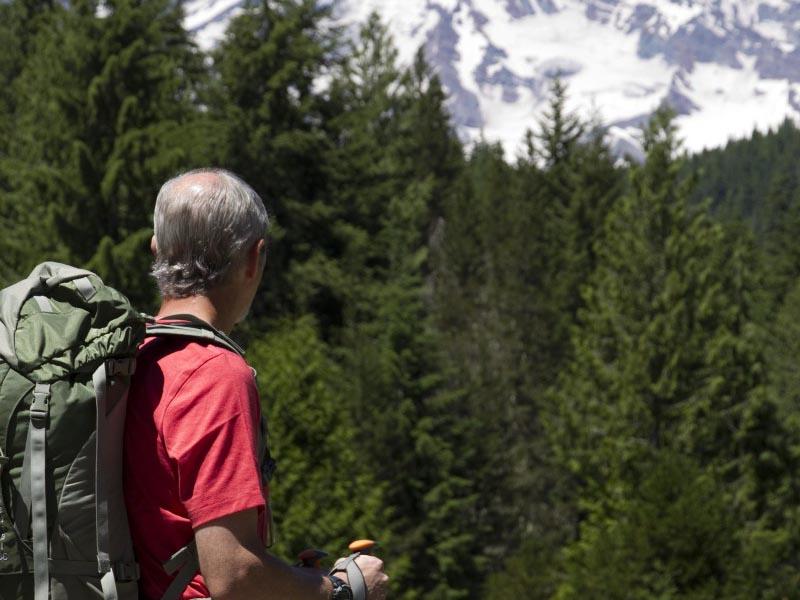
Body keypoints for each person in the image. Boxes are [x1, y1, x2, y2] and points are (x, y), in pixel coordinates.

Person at [123, 168, 389, 600]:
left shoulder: (130, 358)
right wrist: (344, 587)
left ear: (156, 250)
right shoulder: (215, 375)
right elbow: (233, 575)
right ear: (253, 258)